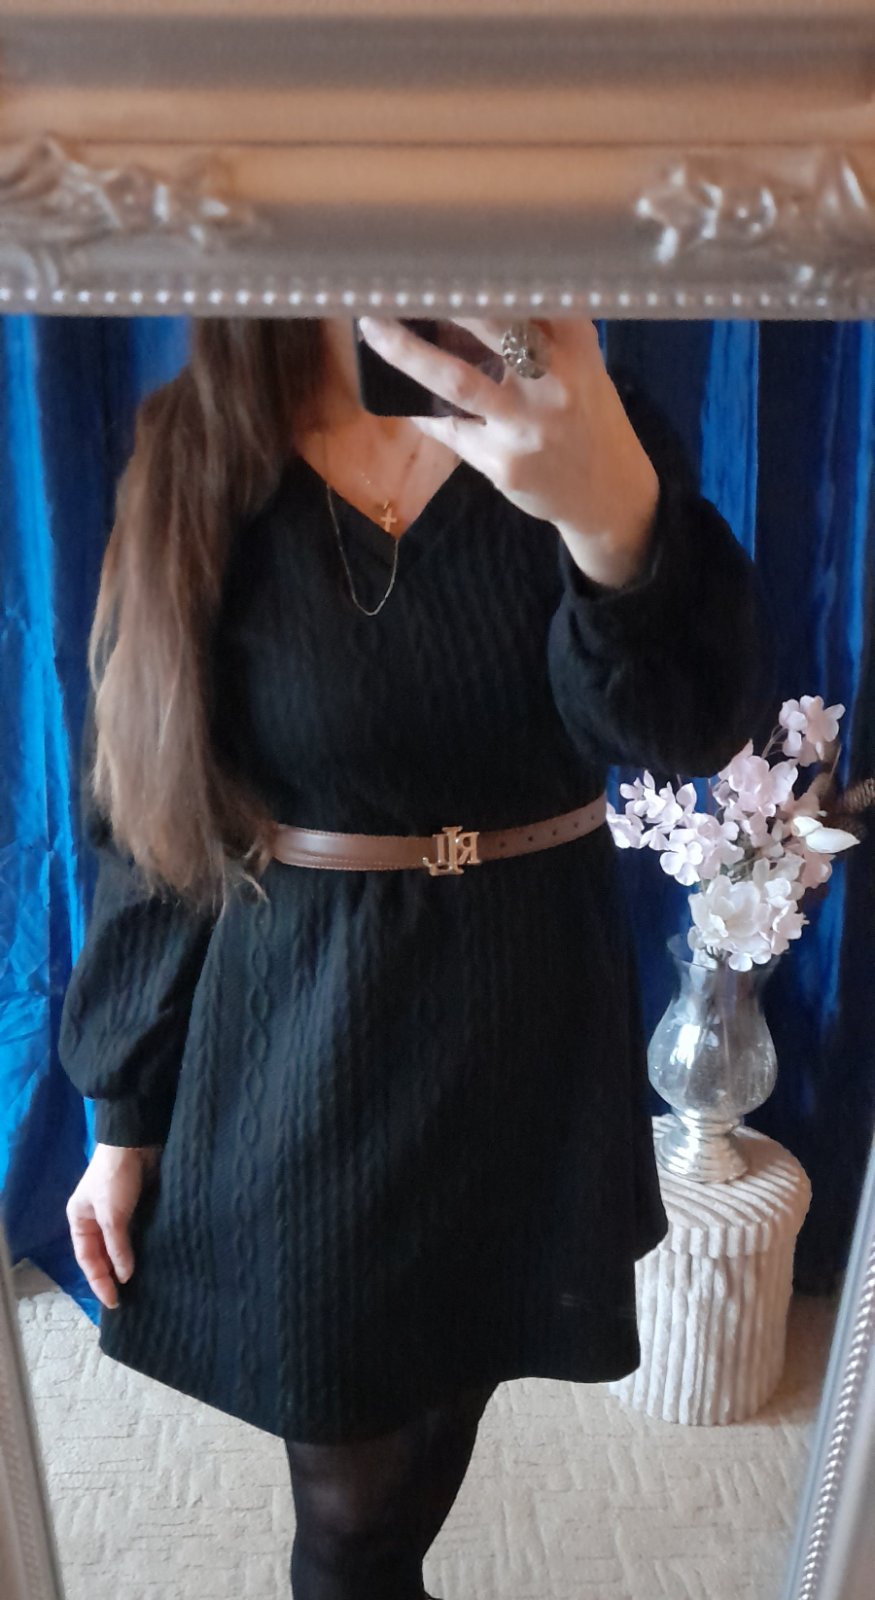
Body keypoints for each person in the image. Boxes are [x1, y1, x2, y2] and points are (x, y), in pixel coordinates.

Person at [58, 315, 773, 1599]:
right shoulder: (198, 445)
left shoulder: (581, 421)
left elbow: (682, 731)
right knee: (353, 1519)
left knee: (443, 1412)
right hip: (310, 1041)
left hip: (529, 1026)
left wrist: (610, 522)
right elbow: (151, 812)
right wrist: (125, 1113)